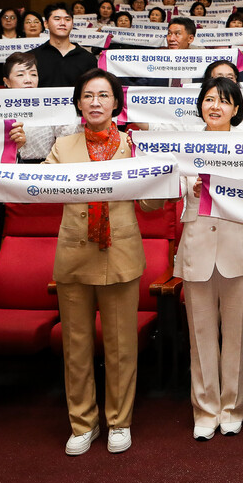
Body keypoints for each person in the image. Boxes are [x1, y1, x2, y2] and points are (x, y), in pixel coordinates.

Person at [46, 69, 165, 456]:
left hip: (120, 256)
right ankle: (83, 422)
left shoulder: (134, 145)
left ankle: (119, 421)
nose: (95, 102)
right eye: (88, 95)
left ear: (116, 102)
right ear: (78, 103)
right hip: (75, 256)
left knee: (120, 346)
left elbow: (150, 205)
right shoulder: (63, 146)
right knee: (76, 345)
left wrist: (158, 171)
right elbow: (41, 192)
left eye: (103, 95)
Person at [177, 77, 243, 440]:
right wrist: (189, 189)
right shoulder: (183, 147)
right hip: (197, 246)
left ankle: (233, 407)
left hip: (240, 250)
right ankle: (205, 409)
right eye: (209, 99)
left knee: (237, 335)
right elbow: (168, 194)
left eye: (224, 101)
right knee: (200, 336)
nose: (215, 106)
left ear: (236, 109)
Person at [32, 3, 98, 88]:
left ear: (72, 24)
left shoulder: (87, 58)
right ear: (46, 24)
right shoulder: (33, 57)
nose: (62, 23)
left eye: (67, 19)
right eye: (57, 19)